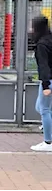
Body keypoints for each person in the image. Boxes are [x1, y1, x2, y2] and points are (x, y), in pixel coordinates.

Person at [30, 17, 52, 152]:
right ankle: (47, 128)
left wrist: (45, 85)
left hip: (48, 80)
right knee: (41, 107)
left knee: (44, 109)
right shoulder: (49, 40)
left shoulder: (42, 45)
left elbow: (43, 66)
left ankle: (48, 141)